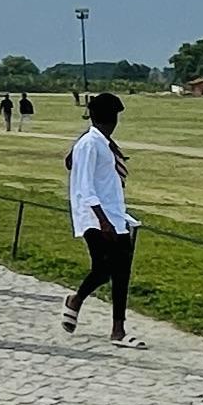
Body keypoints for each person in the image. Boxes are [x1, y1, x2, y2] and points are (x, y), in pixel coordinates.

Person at [61, 93, 140, 346]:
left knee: (120, 271)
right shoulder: (89, 144)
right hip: (95, 218)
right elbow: (85, 188)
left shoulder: (103, 144)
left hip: (114, 215)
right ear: (111, 118)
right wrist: (103, 221)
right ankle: (78, 301)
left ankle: (117, 328)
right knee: (106, 268)